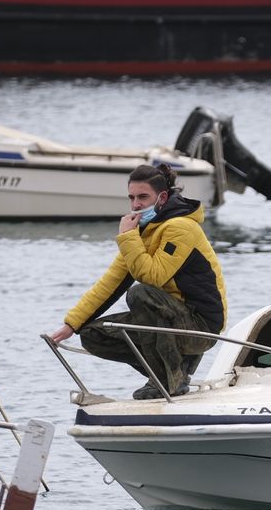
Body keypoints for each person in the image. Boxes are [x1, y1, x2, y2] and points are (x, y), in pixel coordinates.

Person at [48, 164, 227, 399]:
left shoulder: (181, 227)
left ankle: (168, 378)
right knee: (93, 335)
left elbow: (154, 277)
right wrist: (71, 325)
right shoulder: (143, 231)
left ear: (162, 197)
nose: (135, 204)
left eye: (143, 197)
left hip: (201, 326)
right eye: (131, 197)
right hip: (169, 319)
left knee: (140, 293)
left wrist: (127, 237)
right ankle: (173, 373)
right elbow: (111, 282)